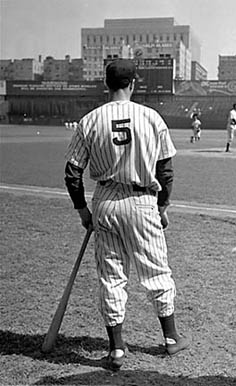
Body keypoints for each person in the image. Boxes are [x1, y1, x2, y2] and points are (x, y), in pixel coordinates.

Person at [64, 58, 191, 371]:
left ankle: (117, 348)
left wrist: (82, 209)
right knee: (156, 270)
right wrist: (163, 207)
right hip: (142, 200)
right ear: (133, 83)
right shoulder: (151, 117)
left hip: (105, 200)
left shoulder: (89, 120)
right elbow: (166, 169)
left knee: (111, 276)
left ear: (106, 85)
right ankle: (171, 338)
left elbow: (72, 172)